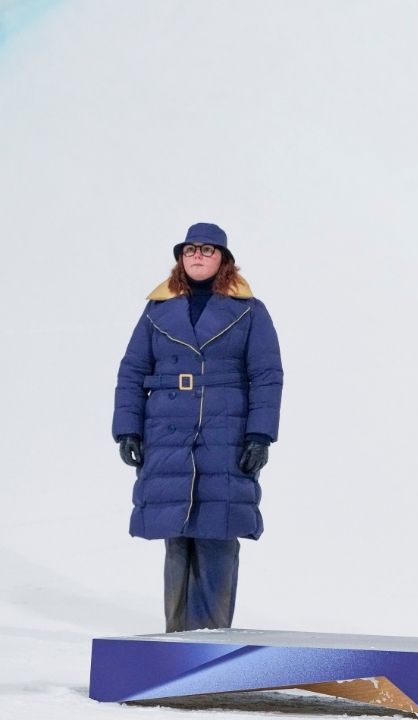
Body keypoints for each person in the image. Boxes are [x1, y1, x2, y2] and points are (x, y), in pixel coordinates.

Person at [112, 222, 283, 632]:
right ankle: (176, 643)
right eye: (190, 249)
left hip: (225, 433)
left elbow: (267, 375)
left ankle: (211, 643)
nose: (197, 256)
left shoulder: (249, 311)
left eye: (207, 249)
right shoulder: (157, 310)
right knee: (177, 537)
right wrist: (128, 428)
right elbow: (133, 370)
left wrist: (261, 434)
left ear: (223, 258)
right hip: (167, 430)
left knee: (216, 534)